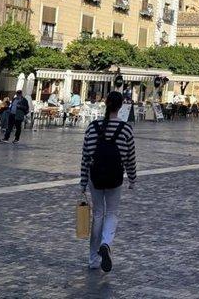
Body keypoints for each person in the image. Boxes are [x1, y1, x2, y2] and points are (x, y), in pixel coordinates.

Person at [80, 91, 137, 272]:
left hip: (94, 176)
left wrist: (82, 182)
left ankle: (93, 260)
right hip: (115, 177)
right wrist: (132, 178)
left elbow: (86, 156)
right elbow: (130, 157)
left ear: (105, 104)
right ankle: (106, 243)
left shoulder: (92, 127)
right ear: (120, 107)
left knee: (97, 214)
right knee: (111, 213)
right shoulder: (126, 129)